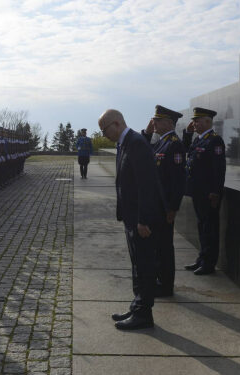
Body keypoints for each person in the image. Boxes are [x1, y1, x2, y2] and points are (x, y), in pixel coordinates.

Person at [98, 109, 165, 330]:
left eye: (104, 129)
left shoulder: (136, 143)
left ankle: (144, 314)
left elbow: (146, 185)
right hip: (131, 218)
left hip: (140, 220)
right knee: (137, 265)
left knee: (144, 266)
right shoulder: (125, 143)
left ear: (116, 123)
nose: (103, 134)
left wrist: (143, 220)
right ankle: (137, 306)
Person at [141, 105, 186, 296]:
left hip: (165, 206)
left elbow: (177, 180)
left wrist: (172, 208)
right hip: (157, 205)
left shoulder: (174, 144)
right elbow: (144, 151)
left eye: (158, 121)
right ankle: (161, 280)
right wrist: (147, 132)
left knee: (165, 247)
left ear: (169, 123)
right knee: (159, 246)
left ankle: (166, 285)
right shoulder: (161, 142)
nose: (155, 123)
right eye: (154, 120)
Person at [183, 107, 226, 275]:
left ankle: (209, 264)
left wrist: (215, 191)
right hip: (197, 191)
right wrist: (187, 134)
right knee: (202, 227)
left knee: (210, 229)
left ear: (208, 122)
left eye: (197, 120)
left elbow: (219, 168)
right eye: (194, 121)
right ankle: (201, 259)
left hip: (209, 193)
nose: (194, 123)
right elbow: (185, 149)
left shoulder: (214, 141)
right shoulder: (198, 139)